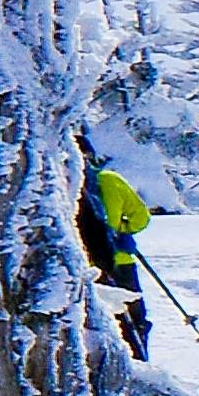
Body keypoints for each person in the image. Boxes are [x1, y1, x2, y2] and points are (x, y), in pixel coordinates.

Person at [76, 153, 159, 362]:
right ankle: (139, 360)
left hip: (86, 266)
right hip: (120, 261)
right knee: (134, 316)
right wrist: (123, 230)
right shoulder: (109, 180)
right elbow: (141, 217)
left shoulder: (66, 185)